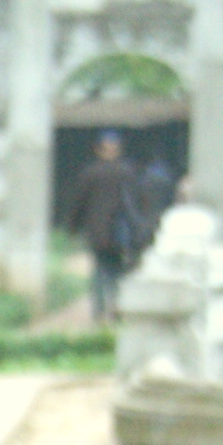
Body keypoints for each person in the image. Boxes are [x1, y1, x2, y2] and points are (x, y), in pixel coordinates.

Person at [68, 130, 143, 324]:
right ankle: (116, 307)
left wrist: (73, 227)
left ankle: (99, 313)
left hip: (98, 232)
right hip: (120, 232)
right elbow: (136, 203)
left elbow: (79, 202)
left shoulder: (90, 173)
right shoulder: (126, 172)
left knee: (100, 271)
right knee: (117, 271)